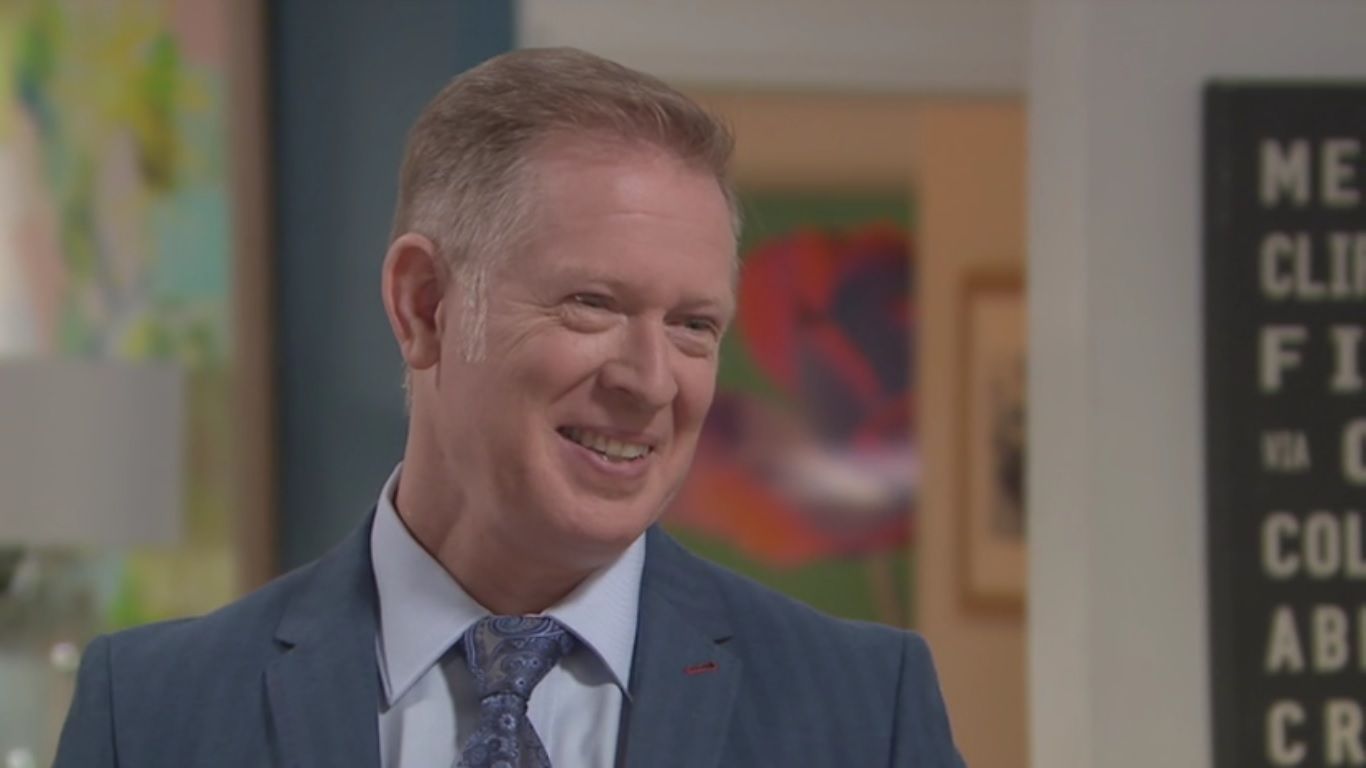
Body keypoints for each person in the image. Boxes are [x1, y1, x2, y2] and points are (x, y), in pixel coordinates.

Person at [54, 47, 963, 768]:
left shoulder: (862, 712)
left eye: (693, 325)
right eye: (593, 305)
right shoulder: (153, 713)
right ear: (425, 306)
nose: (651, 380)